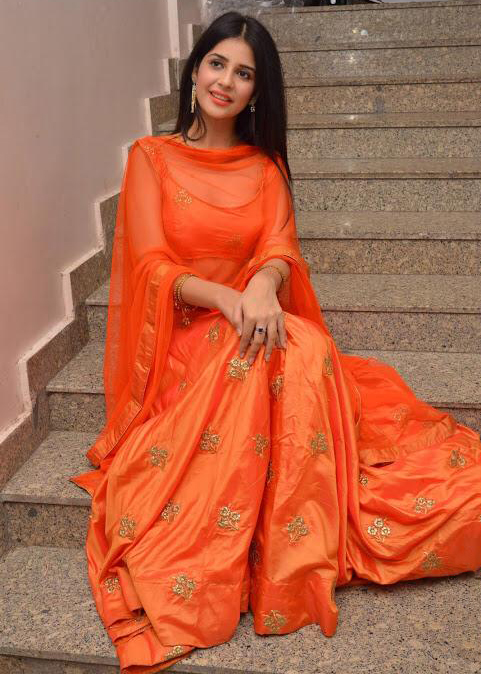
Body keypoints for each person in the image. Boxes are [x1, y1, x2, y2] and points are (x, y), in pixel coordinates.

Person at [69, 10, 481, 673]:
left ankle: (295, 542)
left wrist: (261, 286)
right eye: (216, 64)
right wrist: (227, 299)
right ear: (194, 70)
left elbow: (279, 245)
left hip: (254, 315)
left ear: (257, 92)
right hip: (188, 333)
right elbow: (151, 266)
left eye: (243, 73)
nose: (225, 81)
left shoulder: (264, 167)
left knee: (304, 346)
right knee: (253, 356)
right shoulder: (151, 158)